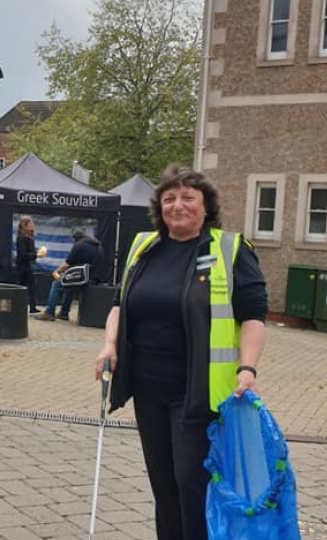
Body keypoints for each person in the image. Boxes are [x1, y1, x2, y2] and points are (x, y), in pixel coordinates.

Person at [94, 164, 267, 540]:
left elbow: (254, 316)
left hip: (198, 391)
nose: (178, 205)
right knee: (164, 484)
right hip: (147, 386)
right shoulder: (144, 247)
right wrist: (109, 344)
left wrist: (248, 368)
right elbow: (120, 303)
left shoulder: (229, 249)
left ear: (206, 206)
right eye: (169, 198)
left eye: (188, 197)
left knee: (192, 482)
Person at [35, 228, 104, 321]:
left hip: (84, 278)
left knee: (56, 284)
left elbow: (67, 264)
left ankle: (49, 312)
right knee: (69, 286)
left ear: (74, 238)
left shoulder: (79, 245)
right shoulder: (97, 245)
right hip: (94, 279)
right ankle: (63, 313)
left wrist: (57, 272)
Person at [15, 215, 46, 314]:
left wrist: (38, 252)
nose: (32, 226)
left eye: (32, 224)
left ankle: (29, 307)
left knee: (28, 285)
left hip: (27, 265)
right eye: (30, 224)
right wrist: (36, 254)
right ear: (25, 225)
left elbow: (31, 252)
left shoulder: (30, 238)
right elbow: (23, 254)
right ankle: (22, 307)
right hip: (21, 265)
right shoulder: (21, 238)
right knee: (24, 286)